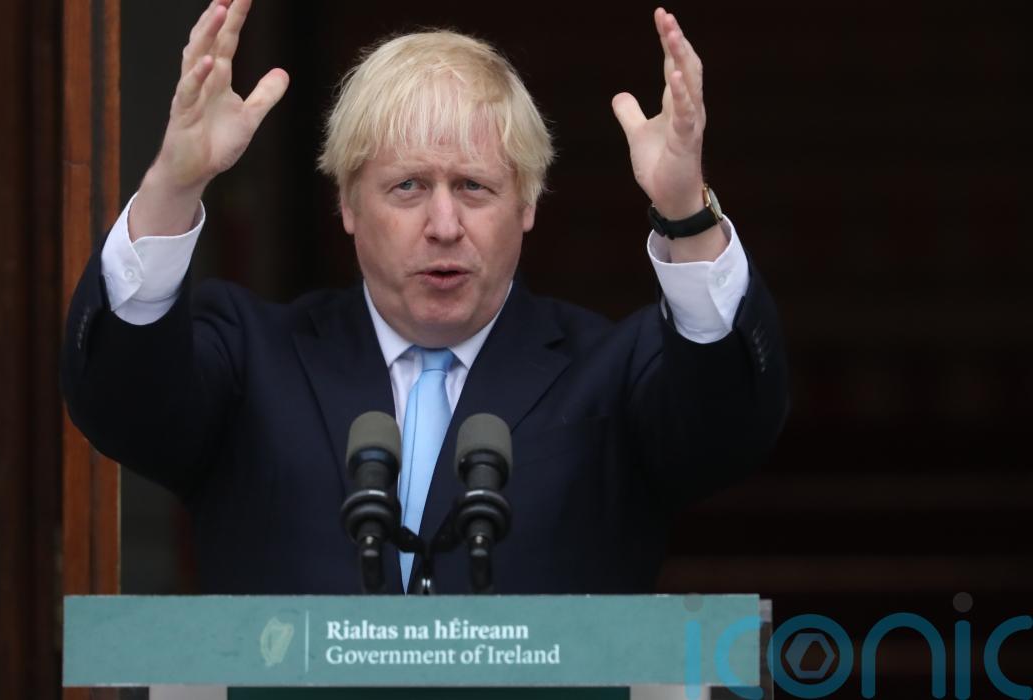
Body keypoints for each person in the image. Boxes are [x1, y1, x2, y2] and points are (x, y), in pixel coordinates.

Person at [62, 0, 788, 594]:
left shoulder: (613, 371)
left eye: (474, 187)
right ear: (348, 204)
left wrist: (686, 215)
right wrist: (174, 184)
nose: (444, 225)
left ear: (527, 204)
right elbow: (122, 408)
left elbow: (727, 429)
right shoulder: (250, 356)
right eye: (407, 186)